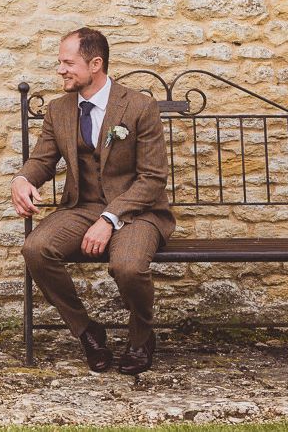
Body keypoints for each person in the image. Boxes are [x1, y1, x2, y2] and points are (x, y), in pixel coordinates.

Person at [11, 27, 175, 375]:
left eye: (68, 63)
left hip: (137, 212)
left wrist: (109, 218)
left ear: (95, 63)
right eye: (60, 62)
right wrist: (22, 179)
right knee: (35, 250)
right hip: (81, 207)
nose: (60, 70)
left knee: (128, 267)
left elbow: (152, 178)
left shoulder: (139, 107)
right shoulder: (59, 110)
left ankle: (142, 334)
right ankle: (87, 331)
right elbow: (43, 159)